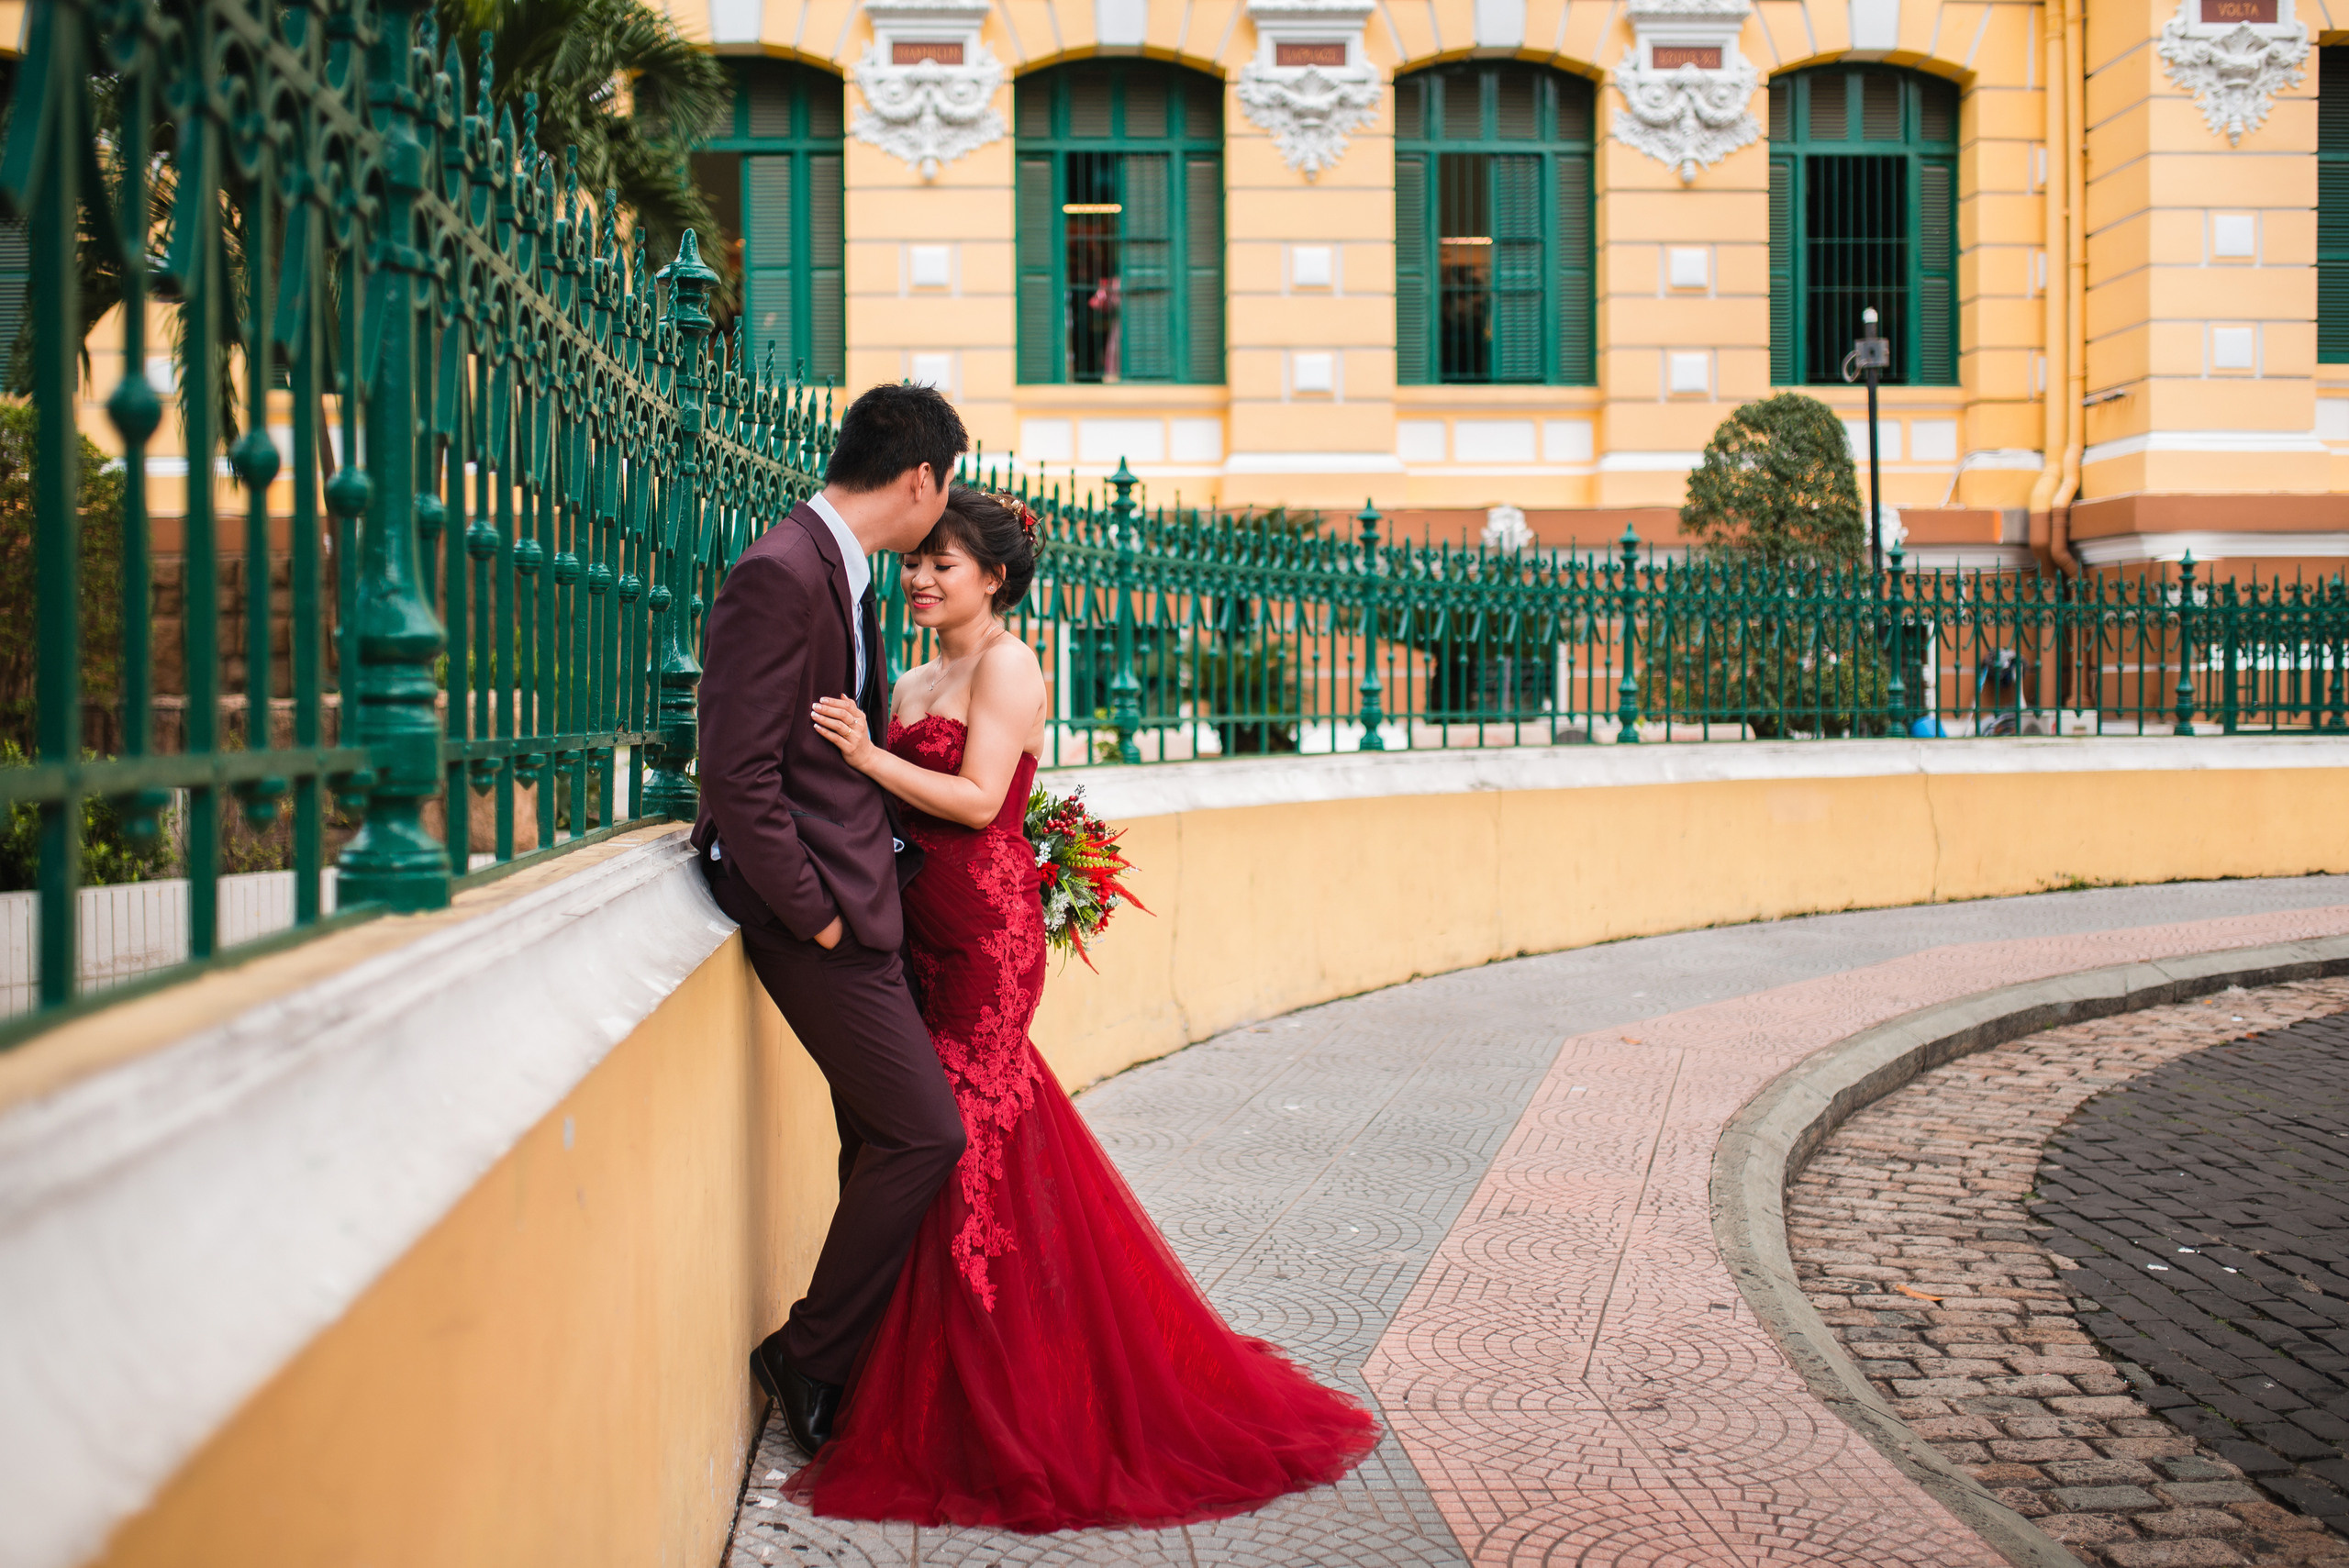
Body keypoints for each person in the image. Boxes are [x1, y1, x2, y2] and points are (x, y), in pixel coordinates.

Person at [797, 485, 1378, 1532]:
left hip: (982, 935)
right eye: (918, 560)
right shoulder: (919, 668)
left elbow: (978, 800)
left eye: (945, 564)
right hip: (914, 930)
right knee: (942, 1141)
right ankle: (921, 1365)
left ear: (998, 579)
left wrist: (866, 755)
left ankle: (982, 1385)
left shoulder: (1008, 664)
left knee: (961, 1140)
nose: (922, 577)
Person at [692, 383, 972, 1461]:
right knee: (924, 1130)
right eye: (943, 484)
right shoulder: (780, 572)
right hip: (814, 916)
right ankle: (809, 1356)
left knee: (879, 1134)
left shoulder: (837, 572)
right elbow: (737, 769)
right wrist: (811, 919)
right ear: (919, 478)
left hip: (860, 903)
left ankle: (847, 1364)